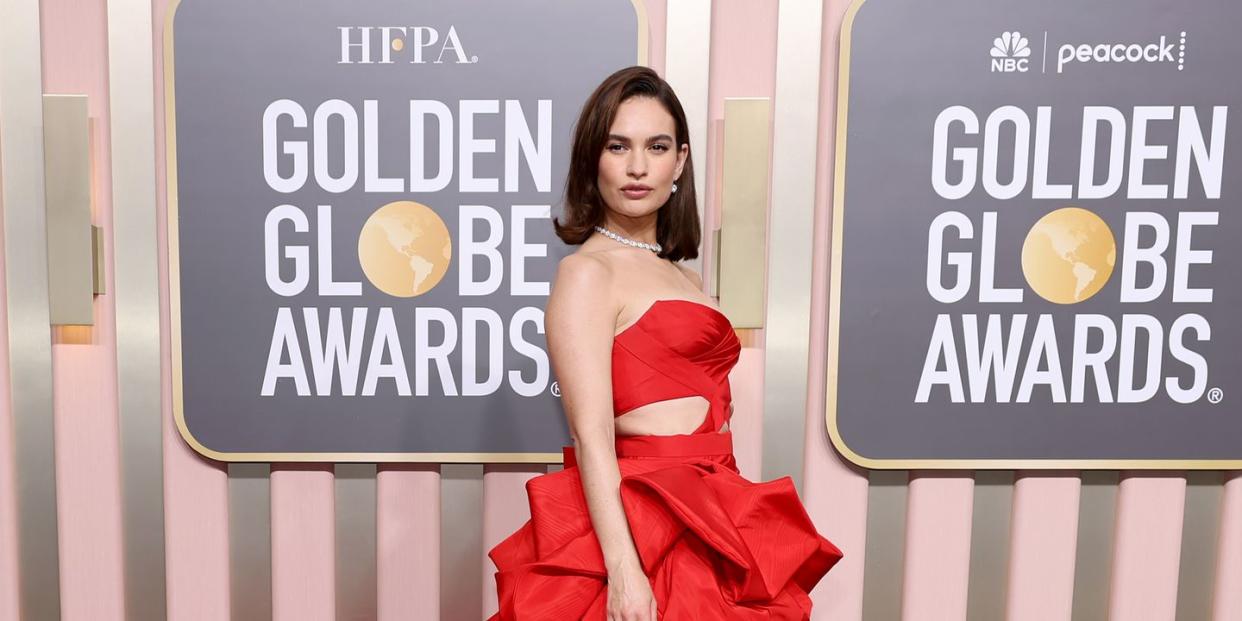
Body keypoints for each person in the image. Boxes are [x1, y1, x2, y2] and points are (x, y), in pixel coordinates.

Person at [487, 66, 842, 621]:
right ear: (592, 159)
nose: (636, 167)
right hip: (642, 526)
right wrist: (625, 570)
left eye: (656, 147)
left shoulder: (687, 279)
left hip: (714, 512)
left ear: (679, 161)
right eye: (617, 146)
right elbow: (592, 435)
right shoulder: (587, 275)